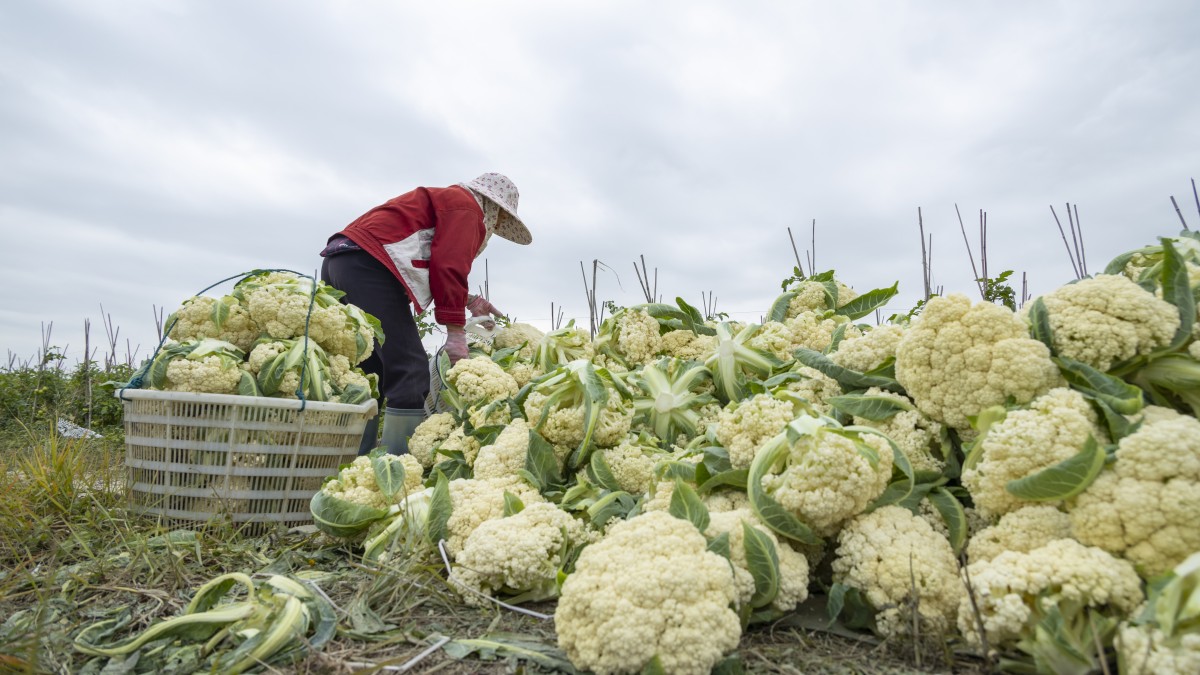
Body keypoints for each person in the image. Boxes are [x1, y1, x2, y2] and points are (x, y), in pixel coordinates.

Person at [319, 173, 532, 454]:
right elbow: (450, 264)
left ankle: (352, 462)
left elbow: (421, 257)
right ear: (496, 208)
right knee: (410, 369)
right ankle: (395, 469)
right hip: (369, 267)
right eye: (502, 219)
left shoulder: (445, 202)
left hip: (344, 263)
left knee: (371, 371)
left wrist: (467, 299)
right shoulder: (467, 207)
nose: (498, 226)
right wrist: (456, 334)